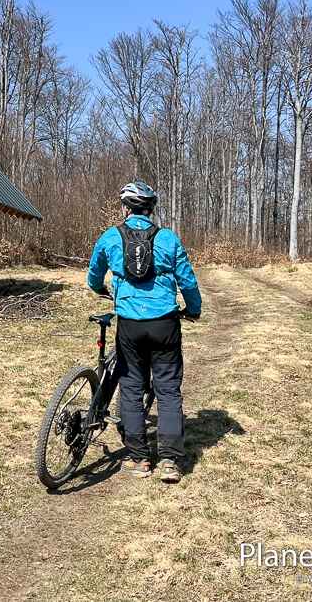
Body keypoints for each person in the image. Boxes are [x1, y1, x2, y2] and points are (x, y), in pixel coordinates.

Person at [86, 180, 202, 483]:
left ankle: (138, 459)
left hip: (130, 327)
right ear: (151, 210)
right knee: (167, 389)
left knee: (132, 387)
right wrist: (193, 309)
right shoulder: (168, 238)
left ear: (126, 208)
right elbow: (188, 282)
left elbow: (93, 277)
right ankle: (169, 462)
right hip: (164, 323)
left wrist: (103, 289)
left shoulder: (111, 237)